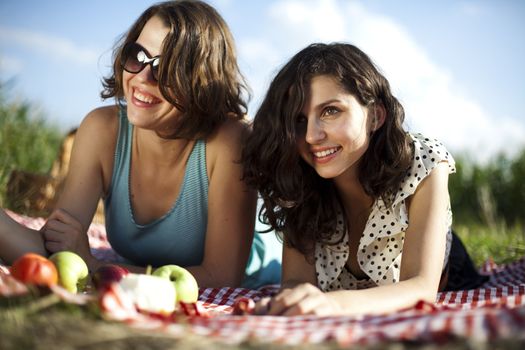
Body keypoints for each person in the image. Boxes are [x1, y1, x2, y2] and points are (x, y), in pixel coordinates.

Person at [0, 0, 281, 289]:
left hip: (264, 272)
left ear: (202, 82)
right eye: (137, 56)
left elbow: (220, 277)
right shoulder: (102, 130)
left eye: (166, 69)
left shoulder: (229, 141)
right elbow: (56, 248)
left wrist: (97, 265)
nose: (142, 78)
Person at [242, 43, 487, 316]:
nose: (311, 135)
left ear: (375, 116)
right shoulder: (299, 177)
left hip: (449, 277)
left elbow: (420, 287)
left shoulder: (424, 160)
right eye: (299, 119)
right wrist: (292, 302)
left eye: (330, 111)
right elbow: (297, 282)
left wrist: (332, 304)